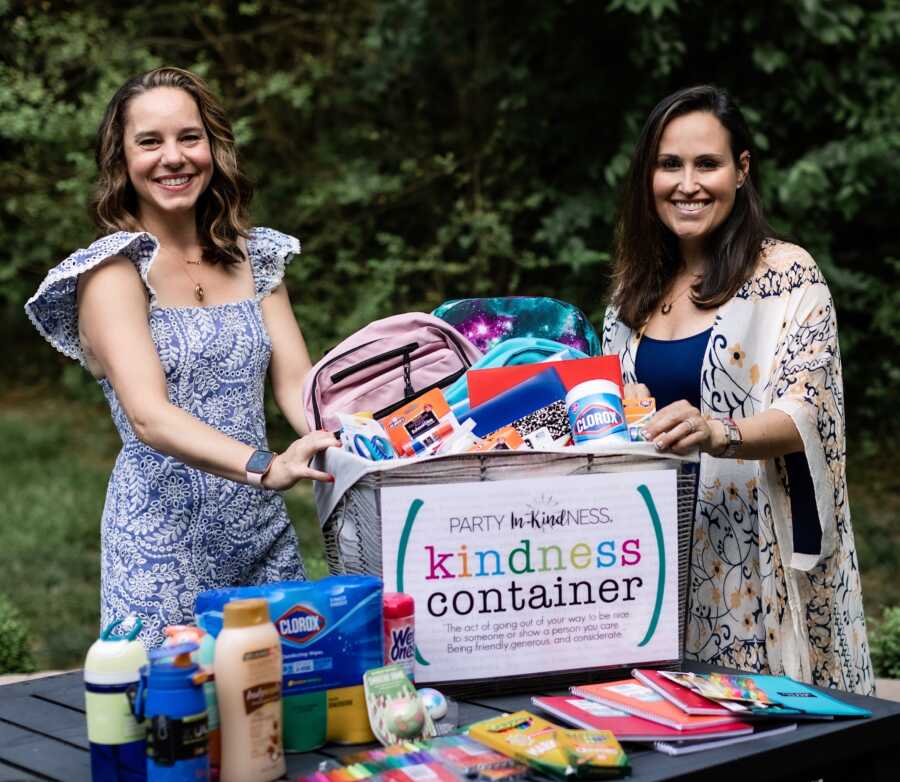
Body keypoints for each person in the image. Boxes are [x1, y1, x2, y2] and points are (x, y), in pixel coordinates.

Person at [25, 67, 338, 649]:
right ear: (122, 160)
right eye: (150, 142)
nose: (174, 157)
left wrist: (357, 439)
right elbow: (149, 416)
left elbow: (299, 384)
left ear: (213, 147)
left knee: (282, 711)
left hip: (260, 534)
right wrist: (267, 466)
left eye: (188, 138)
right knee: (176, 723)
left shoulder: (254, 256)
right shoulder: (110, 273)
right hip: (160, 542)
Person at [602, 85, 873, 694]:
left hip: (752, 556)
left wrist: (718, 431)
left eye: (708, 163)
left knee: (761, 735)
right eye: (669, 164)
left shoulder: (786, 275)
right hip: (652, 556)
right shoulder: (631, 289)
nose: (687, 183)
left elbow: (811, 409)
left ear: (741, 170)